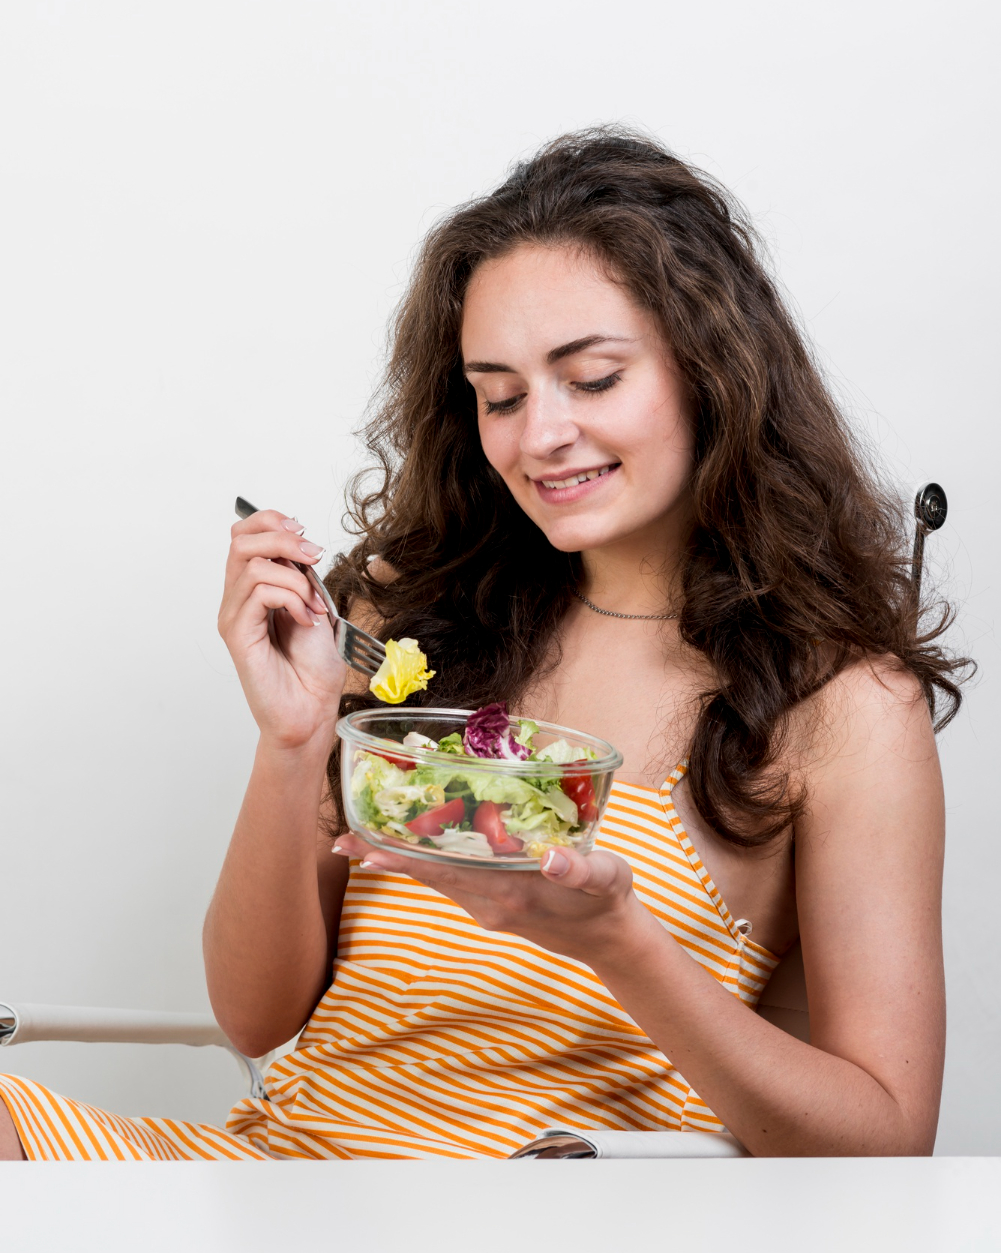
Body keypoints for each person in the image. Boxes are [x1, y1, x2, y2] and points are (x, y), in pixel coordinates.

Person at [0, 128, 967, 1160]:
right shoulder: (404, 625)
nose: (536, 434)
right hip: (277, 1180)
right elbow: (255, 1019)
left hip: (535, 1221)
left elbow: (883, 1140)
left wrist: (616, 943)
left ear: (711, 376)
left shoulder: (840, 705)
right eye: (498, 396)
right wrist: (289, 745)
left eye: (590, 379)